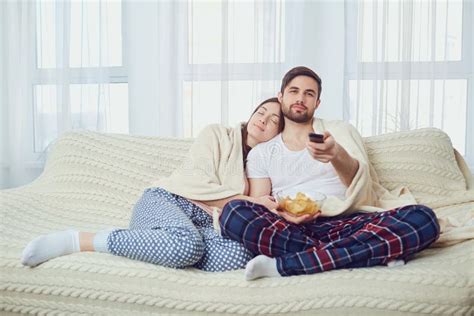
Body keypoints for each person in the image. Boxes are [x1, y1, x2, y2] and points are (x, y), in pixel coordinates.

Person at [219, 67, 440, 280]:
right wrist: (284, 214)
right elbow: (262, 203)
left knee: (423, 218)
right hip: (290, 229)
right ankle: (366, 255)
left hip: (348, 223)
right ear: (281, 97)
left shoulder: (338, 132)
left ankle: (287, 265)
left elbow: (360, 186)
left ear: (317, 103)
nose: (300, 98)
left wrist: (336, 154)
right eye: (294, 91)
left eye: (309, 94)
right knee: (233, 213)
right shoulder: (262, 153)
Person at [21, 98, 284, 272]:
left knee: (239, 255)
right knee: (187, 246)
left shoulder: (263, 166)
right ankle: (80, 240)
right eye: (261, 112)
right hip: (168, 200)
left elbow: (255, 215)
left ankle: (151, 243)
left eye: (273, 120)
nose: (263, 119)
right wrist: (246, 201)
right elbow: (195, 182)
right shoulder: (217, 134)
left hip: (206, 224)